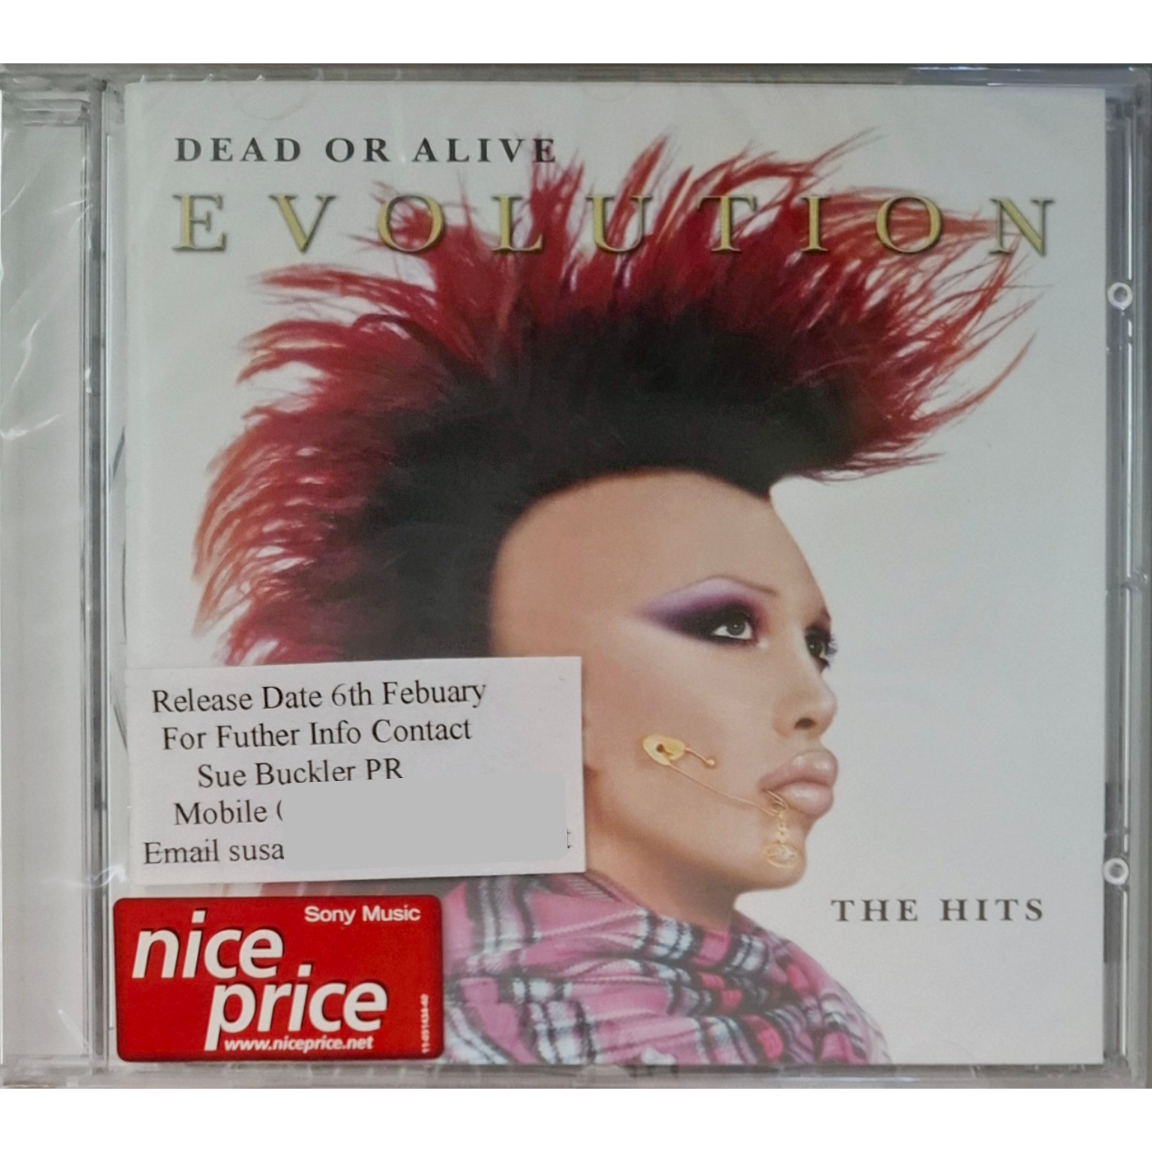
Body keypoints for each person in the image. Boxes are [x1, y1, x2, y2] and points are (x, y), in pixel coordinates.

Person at [195, 143, 1021, 1066]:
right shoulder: (468, 1021)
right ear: (544, 700)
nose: (815, 700)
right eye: (726, 625)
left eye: (815, 645)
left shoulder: (813, 1014)